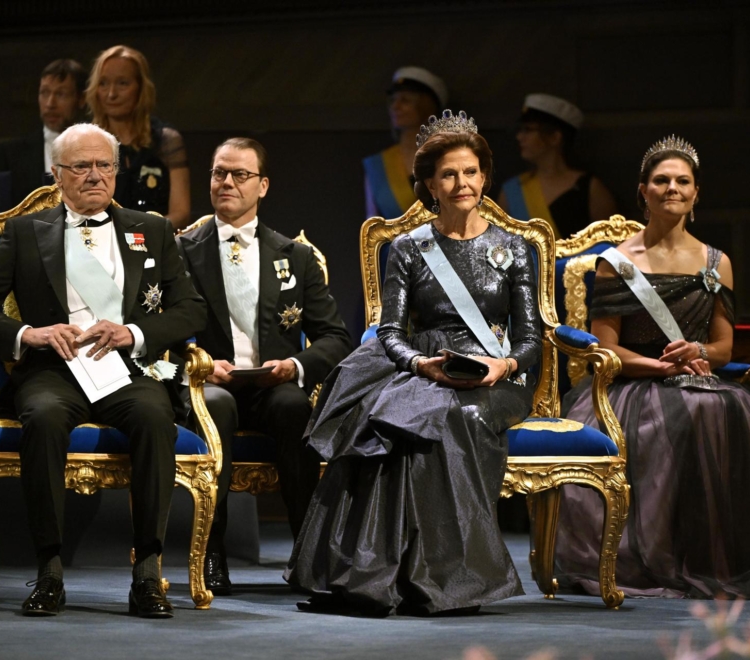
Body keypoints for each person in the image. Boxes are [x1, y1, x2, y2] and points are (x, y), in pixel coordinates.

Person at [554, 136, 750, 598]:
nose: (672, 188)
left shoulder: (717, 261)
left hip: (698, 379)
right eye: (661, 181)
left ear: (697, 193)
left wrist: (699, 352)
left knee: (719, 415)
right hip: (637, 385)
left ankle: (715, 560)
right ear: (643, 190)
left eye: (683, 181)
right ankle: (653, 557)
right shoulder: (615, 263)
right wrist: (657, 367)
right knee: (688, 417)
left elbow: (723, 347)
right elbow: (608, 350)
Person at [0, 123, 207, 618]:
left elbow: (192, 311)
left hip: (126, 370)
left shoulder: (150, 229)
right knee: (41, 418)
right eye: (80, 166)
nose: (94, 176)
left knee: (155, 419)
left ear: (116, 171)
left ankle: (148, 573)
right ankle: (49, 572)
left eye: (104, 165)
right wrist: (30, 335)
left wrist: (135, 333)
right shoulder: (26, 232)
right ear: (56, 174)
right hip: (53, 371)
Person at [285, 110, 541, 616]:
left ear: (485, 177)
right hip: (424, 366)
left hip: (494, 375)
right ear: (428, 183)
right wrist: (422, 366)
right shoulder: (408, 247)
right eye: (448, 174)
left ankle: (452, 579)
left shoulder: (514, 247)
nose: (461, 183)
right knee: (394, 419)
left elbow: (532, 338)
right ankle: (383, 578)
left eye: (470, 172)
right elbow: (390, 332)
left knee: (444, 415)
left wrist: (502, 368)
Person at [176, 137, 352, 596]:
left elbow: (335, 337)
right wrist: (195, 364)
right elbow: (156, 330)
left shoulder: (296, 256)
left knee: (294, 406)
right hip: (209, 386)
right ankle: (210, 554)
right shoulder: (180, 251)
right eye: (219, 173)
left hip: (274, 385)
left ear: (263, 185)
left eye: (240, 175)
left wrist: (294, 364)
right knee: (215, 406)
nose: (227, 182)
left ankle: (307, 552)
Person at [87, 45, 191, 229]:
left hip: (154, 245)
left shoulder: (166, 141)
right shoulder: (86, 142)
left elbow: (181, 213)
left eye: (122, 83)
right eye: (103, 83)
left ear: (141, 88)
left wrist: (144, 235)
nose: (111, 94)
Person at [498, 94, 618, 239]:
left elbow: (611, 248)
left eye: (528, 130)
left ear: (555, 137)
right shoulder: (513, 190)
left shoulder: (590, 189)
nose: (519, 137)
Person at [0, 59, 86, 204]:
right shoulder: (9, 155)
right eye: (44, 93)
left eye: (61, 94)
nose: (50, 104)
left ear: (81, 99)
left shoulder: (99, 150)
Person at [363, 66, 447, 219]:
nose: (396, 106)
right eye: (393, 100)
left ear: (426, 106)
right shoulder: (378, 165)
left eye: (405, 100)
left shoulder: (449, 157)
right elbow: (372, 222)